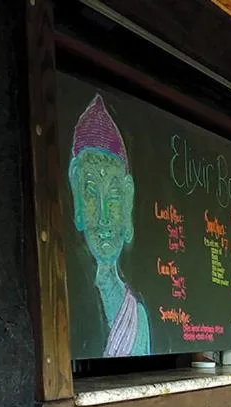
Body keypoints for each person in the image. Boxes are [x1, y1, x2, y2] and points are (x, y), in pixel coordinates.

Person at [68, 93, 150, 357]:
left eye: (114, 196)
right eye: (91, 193)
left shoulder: (137, 314)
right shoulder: (68, 301)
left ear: (127, 200)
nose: (103, 217)